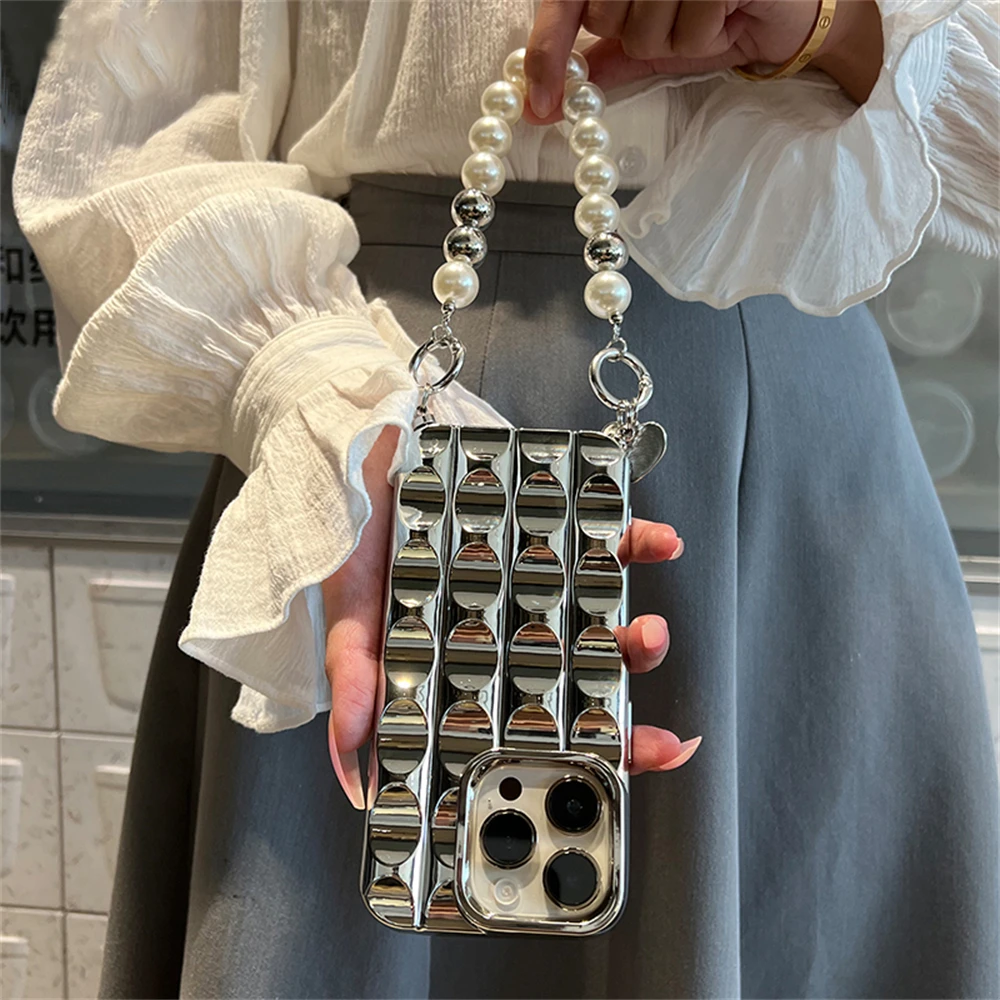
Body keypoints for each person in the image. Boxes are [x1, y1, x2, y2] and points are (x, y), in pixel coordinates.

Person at [13, 1, 999, 997]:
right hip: (365, 417)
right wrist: (318, 402)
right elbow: (128, 134)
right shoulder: (346, 423)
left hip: (776, 474)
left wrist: (837, 22)